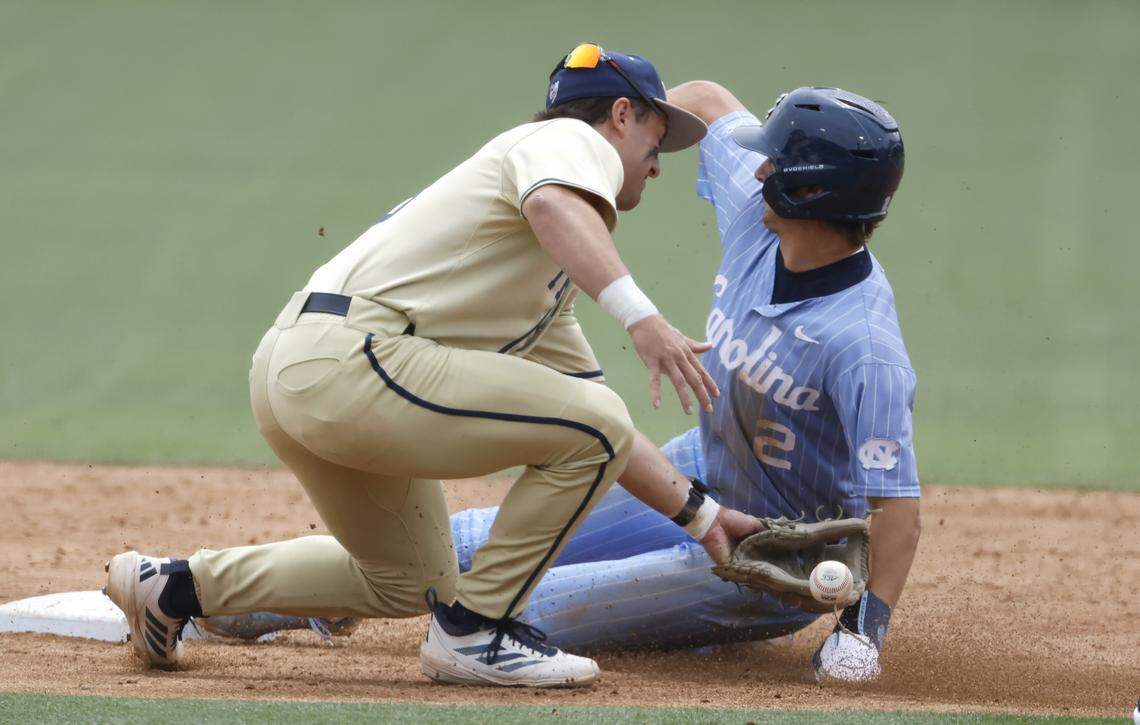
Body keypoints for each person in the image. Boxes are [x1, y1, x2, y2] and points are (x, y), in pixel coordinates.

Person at [103, 45, 764, 688]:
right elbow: (552, 205)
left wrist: (706, 520)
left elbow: (606, 437)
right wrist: (643, 319)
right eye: (657, 132)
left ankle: (175, 587)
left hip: (303, 367)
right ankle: (478, 630)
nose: (660, 161)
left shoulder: (545, 272)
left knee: (409, 579)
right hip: (354, 361)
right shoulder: (569, 143)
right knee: (596, 425)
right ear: (620, 114)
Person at [447, 82, 922, 682]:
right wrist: (609, 145)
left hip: (771, 554)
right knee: (470, 544)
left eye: (773, 161)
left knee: (524, 609)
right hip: (700, 472)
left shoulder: (864, 348)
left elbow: (898, 508)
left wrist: (863, 629)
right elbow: (703, 97)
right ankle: (291, 601)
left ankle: (694, 619)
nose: (758, 168)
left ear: (808, 189)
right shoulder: (761, 217)